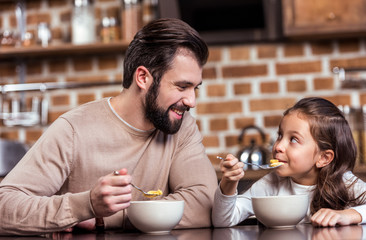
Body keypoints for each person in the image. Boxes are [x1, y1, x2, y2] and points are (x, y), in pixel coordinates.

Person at [0, 18, 218, 235]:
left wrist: (104, 216)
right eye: (182, 87)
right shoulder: (73, 129)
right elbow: (4, 207)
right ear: (143, 77)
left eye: (195, 88)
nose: (192, 101)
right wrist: (83, 205)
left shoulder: (182, 127)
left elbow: (205, 205)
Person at [212, 97, 366, 227]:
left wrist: (350, 215)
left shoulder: (345, 182)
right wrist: (229, 183)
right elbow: (223, 221)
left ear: (323, 158)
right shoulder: (271, 183)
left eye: (293, 139)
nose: (278, 146)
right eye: (280, 135)